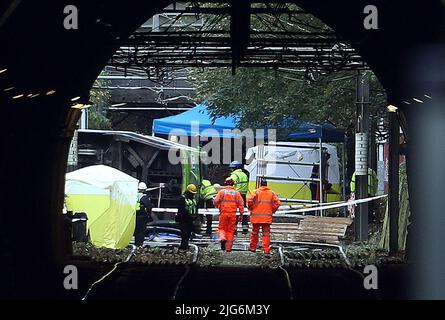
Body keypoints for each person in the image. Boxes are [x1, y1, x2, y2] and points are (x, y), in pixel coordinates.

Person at [247, 179, 281, 255]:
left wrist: (251, 208)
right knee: (266, 234)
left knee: (254, 233)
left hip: (256, 217)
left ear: (260, 184)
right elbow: (278, 203)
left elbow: (249, 200)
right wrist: (272, 210)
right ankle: (266, 250)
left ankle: (253, 248)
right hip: (266, 218)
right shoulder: (271, 193)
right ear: (266, 184)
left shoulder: (255, 192)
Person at [213, 177, 244, 252]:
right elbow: (241, 203)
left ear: (225, 183)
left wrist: (216, 205)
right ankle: (228, 248)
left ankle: (223, 238)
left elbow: (216, 201)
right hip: (232, 214)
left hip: (223, 213)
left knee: (222, 228)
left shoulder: (222, 192)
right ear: (233, 184)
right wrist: (241, 214)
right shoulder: (236, 193)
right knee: (230, 231)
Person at [176, 184, 200, 250]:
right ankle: (183, 247)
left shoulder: (193, 199)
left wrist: (195, 216)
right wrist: (189, 216)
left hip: (191, 219)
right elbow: (182, 209)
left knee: (188, 234)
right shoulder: (183, 198)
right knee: (184, 234)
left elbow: (196, 207)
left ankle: (185, 246)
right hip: (183, 219)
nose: (193, 194)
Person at [229, 160, 249, 234]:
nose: (231, 170)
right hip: (243, 195)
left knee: (235, 212)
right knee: (243, 212)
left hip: (236, 195)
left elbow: (229, 183)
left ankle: (234, 230)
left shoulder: (234, 175)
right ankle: (245, 229)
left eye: (232, 168)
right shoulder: (244, 174)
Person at [134, 182, 153, 246]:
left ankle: (136, 243)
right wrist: (149, 215)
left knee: (136, 231)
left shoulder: (134, 195)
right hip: (142, 216)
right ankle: (139, 244)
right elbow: (149, 207)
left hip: (134, 215)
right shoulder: (144, 197)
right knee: (141, 231)